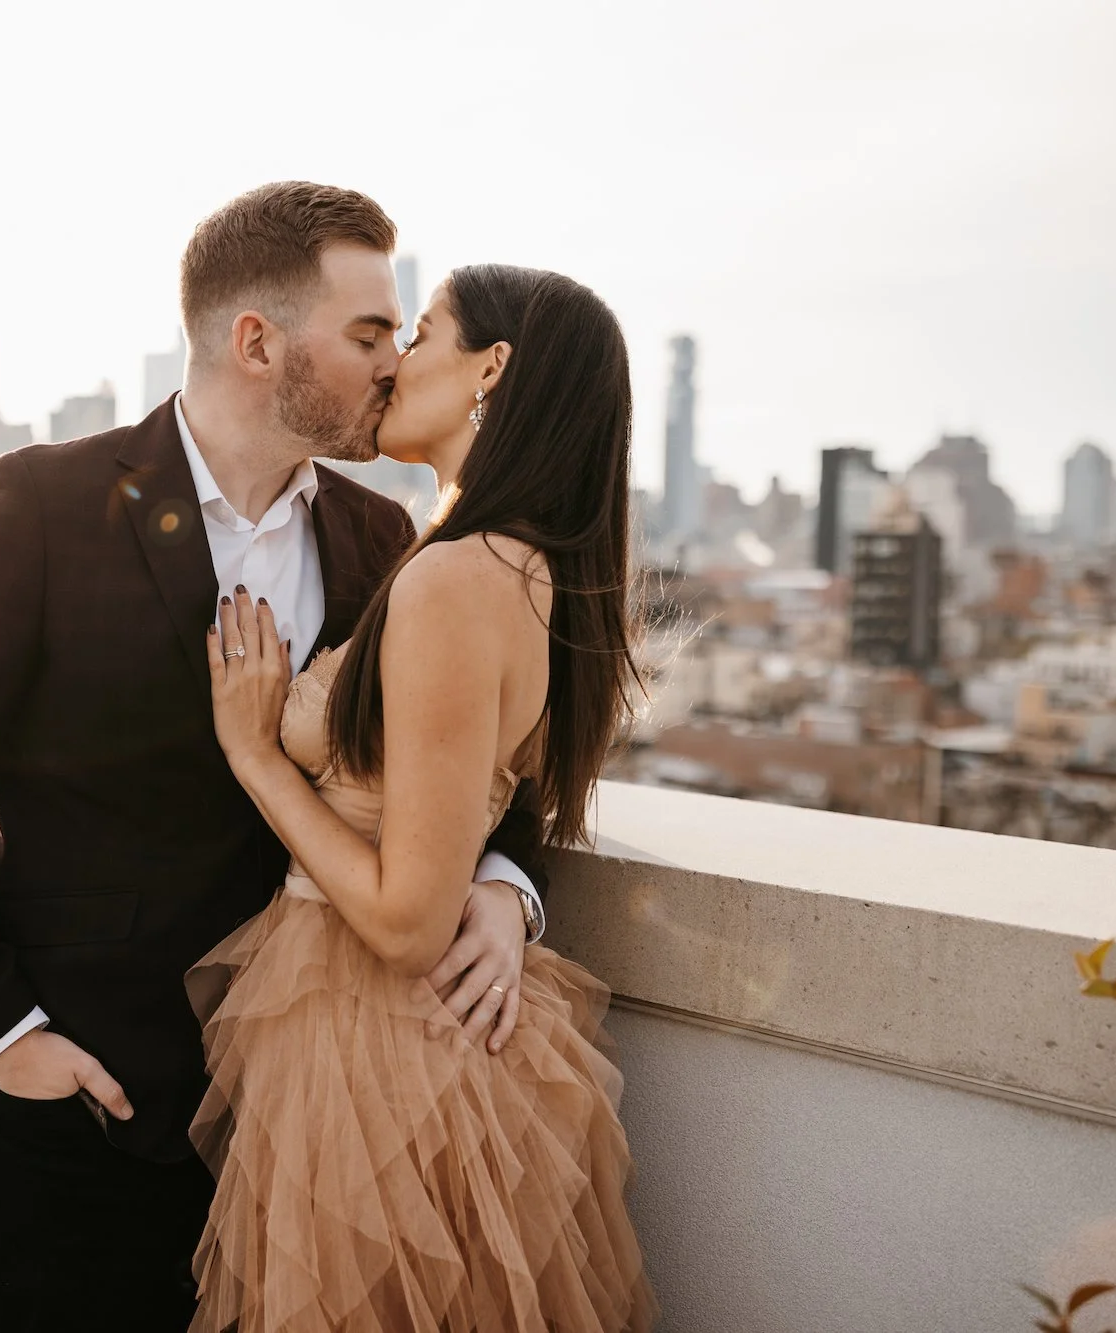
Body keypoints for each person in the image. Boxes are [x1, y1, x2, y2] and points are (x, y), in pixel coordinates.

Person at [0, 183, 552, 1331]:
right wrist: (4, 1037)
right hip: (87, 1109)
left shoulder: (383, 543)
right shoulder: (45, 503)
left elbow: (491, 762)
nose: (390, 362)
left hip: (308, 1122)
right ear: (257, 341)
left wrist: (498, 889)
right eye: (368, 332)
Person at [191, 264, 655, 1331]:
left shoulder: (457, 580)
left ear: (489, 369)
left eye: (424, 331)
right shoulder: (508, 561)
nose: (394, 360)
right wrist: (502, 885)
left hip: (379, 1043)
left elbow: (405, 921)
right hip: (393, 1037)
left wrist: (255, 753)